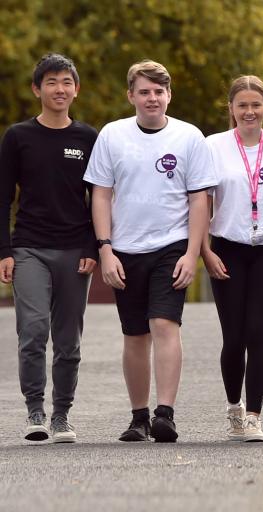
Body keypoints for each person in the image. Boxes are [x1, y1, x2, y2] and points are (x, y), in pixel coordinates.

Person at [84, 60, 216, 442]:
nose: (152, 98)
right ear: (131, 96)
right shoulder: (112, 135)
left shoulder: (189, 137)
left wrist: (192, 254)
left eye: (159, 91)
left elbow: (199, 201)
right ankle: (138, 417)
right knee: (135, 334)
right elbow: (101, 195)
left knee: (163, 324)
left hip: (170, 247)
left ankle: (165, 414)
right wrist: (105, 249)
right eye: (144, 91)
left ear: (169, 95)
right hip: (124, 248)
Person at [0, 54, 97, 443]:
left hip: (76, 250)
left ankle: (62, 416)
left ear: (76, 89)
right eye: (52, 82)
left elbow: (100, 198)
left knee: (69, 339)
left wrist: (94, 245)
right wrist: (4, 251)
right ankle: (35, 411)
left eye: (66, 82)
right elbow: (3, 197)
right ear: (36, 89)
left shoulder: (88, 138)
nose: (60, 89)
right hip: (29, 249)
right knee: (34, 330)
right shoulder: (17, 137)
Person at [202, 76, 263, 442]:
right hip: (226, 248)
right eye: (242, 105)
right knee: (234, 336)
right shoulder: (212, 147)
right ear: (231, 109)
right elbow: (200, 203)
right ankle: (234, 409)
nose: (249, 112)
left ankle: (255, 415)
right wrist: (204, 251)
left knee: (258, 332)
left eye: (256, 105)